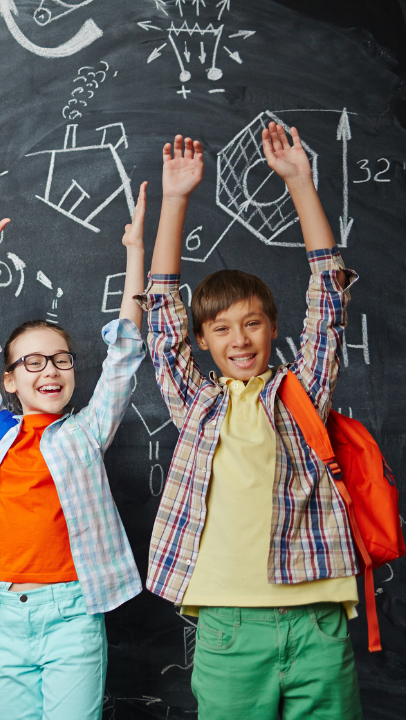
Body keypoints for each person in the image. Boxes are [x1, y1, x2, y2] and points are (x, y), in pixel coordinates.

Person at [141, 126, 361, 719]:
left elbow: (330, 301)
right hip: (229, 626)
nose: (239, 339)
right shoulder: (197, 404)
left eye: (252, 323)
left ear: (272, 327)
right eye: (220, 329)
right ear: (205, 341)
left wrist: (300, 183)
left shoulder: (302, 392)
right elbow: (161, 317)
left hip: (317, 618)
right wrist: (177, 199)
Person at [0, 181, 148, 720]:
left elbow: (125, 352)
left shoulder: (85, 432)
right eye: (32, 363)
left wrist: (135, 256)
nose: (50, 371)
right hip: (2, 610)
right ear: (10, 379)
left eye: (60, 360)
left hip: (73, 611)